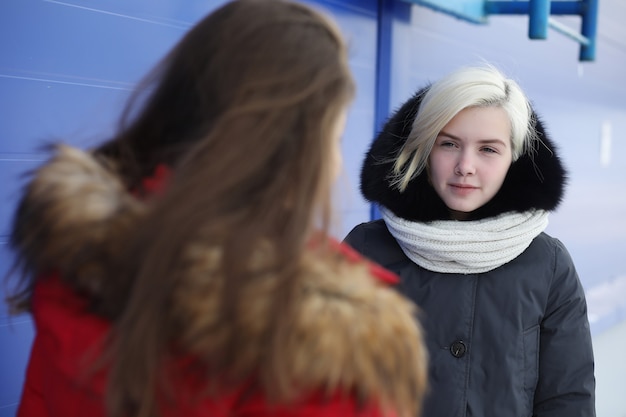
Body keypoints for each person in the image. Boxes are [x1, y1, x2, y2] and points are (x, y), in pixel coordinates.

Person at [5, 1, 428, 416]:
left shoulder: (77, 258)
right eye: (333, 138)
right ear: (287, 148)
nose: (336, 163)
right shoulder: (331, 353)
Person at [344, 65, 595, 417]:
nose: (465, 166)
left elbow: (567, 399)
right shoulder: (365, 251)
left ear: (514, 158)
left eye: (488, 150)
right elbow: (325, 385)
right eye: (449, 144)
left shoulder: (548, 265)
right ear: (425, 148)